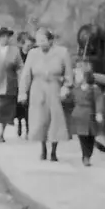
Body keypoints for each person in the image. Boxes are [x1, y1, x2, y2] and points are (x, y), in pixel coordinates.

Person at [21, 28, 72, 162]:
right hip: (38, 88)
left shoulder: (62, 53)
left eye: (43, 40)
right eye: (38, 41)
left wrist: (66, 88)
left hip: (55, 88)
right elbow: (26, 74)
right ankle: (43, 148)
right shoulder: (33, 54)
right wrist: (23, 92)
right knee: (40, 120)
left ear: (50, 40)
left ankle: (54, 151)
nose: (40, 44)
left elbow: (68, 75)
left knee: (55, 120)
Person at [68, 61, 105, 166]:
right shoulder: (75, 88)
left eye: (78, 73)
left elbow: (99, 100)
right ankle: (86, 156)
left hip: (90, 116)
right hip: (79, 116)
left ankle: (89, 152)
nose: (76, 75)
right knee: (82, 137)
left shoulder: (94, 88)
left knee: (91, 136)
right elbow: (70, 100)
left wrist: (99, 112)